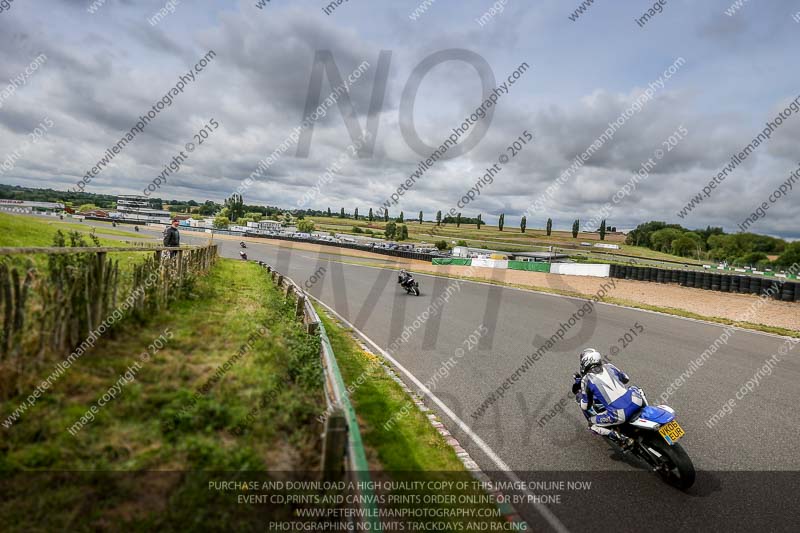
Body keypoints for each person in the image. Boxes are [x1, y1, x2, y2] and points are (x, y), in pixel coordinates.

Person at [575, 348, 642, 450]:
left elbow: (585, 406)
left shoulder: (586, 379)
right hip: (636, 400)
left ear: (585, 362)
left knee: (592, 424)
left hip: (620, 413)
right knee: (635, 388)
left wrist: (579, 398)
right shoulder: (609, 366)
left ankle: (620, 438)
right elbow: (626, 379)